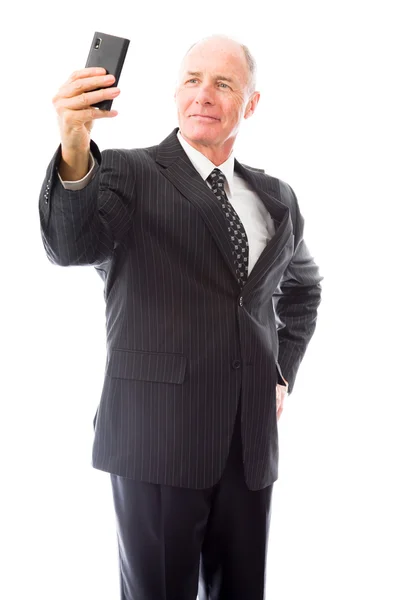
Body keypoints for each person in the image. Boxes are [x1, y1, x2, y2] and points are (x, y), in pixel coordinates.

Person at [39, 33, 322, 600]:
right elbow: (69, 245)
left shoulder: (275, 196)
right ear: (174, 93)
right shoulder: (128, 174)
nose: (204, 94)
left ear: (251, 102)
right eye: (192, 80)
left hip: (249, 449)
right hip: (158, 440)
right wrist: (74, 148)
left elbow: (303, 291)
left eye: (223, 83)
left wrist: (279, 372)